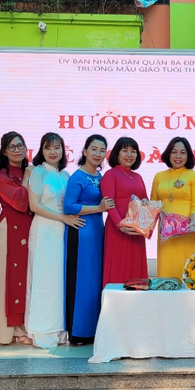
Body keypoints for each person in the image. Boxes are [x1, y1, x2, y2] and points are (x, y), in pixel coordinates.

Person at [26, 132, 82, 348]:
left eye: (57, 147)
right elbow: (35, 206)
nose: (53, 151)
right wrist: (63, 218)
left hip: (62, 232)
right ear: (42, 150)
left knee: (60, 280)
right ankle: (42, 332)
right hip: (44, 231)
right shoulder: (37, 172)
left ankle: (59, 331)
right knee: (44, 279)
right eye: (48, 147)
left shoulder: (67, 175)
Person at [63, 134, 114, 345]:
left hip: (97, 231)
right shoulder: (77, 177)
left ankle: (92, 329)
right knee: (81, 281)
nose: (98, 154)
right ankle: (77, 331)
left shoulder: (101, 177)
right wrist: (98, 209)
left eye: (102, 150)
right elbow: (68, 206)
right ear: (84, 151)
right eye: (94, 149)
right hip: (81, 232)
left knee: (94, 282)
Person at [0, 132, 34, 346]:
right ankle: (9, 329)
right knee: (9, 278)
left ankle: (24, 325)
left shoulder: (32, 170)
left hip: (30, 228)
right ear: (4, 151)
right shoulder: (2, 176)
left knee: (27, 276)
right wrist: (27, 178)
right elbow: (20, 201)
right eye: (12, 147)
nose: (17, 150)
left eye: (20, 145)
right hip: (10, 228)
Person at [151, 136, 195, 278]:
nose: (178, 156)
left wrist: (193, 222)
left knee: (186, 270)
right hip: (166, 233)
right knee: (167, 270)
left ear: (188, 155)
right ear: (168, 154)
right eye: (174, 152)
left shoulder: (194, 176)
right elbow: (153, 203)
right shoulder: (159, 176)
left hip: (186, 230)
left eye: (183, 152)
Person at [101, 136, 148, 286]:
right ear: (116, 153)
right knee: (117, 270)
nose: (129, 155)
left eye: (133, 151)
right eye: (125, 151)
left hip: (136, 231)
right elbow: (109, 204)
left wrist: (147, 204)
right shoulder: (111, 174)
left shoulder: (138, 176)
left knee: (136, 271)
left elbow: (145, 200)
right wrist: (120, 225)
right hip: (118, 230)